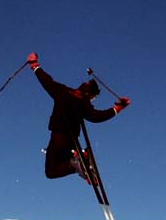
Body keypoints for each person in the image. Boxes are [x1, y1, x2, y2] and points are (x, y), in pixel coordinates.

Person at [27, 52, 130, 182]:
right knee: (58, 161)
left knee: (51, 172)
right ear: (89, 95)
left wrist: (34, 65)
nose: (92, 101)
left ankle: (77, 161)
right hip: (71, 139)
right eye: (93, 98)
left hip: (59, 137)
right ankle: (79, 157)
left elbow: (47, 81)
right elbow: (96, 117)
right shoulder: (83, 103)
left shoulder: (63, 91)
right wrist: (118, 108)